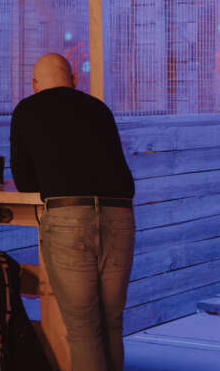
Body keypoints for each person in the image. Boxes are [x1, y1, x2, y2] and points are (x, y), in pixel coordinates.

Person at [9, 53, 135, 371]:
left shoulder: (26, 111)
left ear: (34, 85)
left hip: (68, 219)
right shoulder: (99, 109)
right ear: (74, 79)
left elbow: (25, 183)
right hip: (119, 216)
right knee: (112, 325)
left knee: (83, 332)